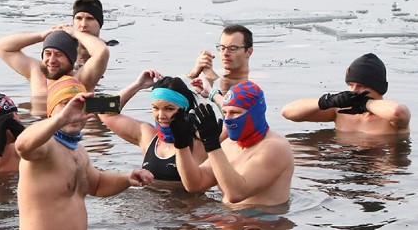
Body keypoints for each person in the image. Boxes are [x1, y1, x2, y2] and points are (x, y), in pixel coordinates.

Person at [15, 76, 154, 230]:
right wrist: (61, 119)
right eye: (64, 105)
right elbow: (22, 145)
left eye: (78, 106)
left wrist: (128, 178)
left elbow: (97, 185)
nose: (72, 112)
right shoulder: (45, 147)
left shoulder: (78, 150)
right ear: (51, 112)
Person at [172, 81, 293, 206]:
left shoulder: (274, 147)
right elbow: (195, 184)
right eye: (224, 112)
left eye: (235, 112)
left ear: (255, 113)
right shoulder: (229, 144)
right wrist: (181, 145)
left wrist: (211, 144)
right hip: (229, 218)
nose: (228, 118)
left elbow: (236, 193)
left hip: (262, 222)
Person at [100, 71, 208, 183]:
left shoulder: (200, 140)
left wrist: (212, 94)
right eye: (155, 108)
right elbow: (103, 111)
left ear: (185, 109)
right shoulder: (148, 136)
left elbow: (228, 123)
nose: (161, 116)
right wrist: (137, 85)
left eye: (169, 109)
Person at [281, 53, 410, 135]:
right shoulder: (340, 112)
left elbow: (398, 112)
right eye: (350, 85)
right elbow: (287, 112)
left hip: (377, 171)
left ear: (378, 87)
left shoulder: (392, 120)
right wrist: (327, 101)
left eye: (361, 86)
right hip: (343, 165)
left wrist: (365, 104)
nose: (354, 91)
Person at [0, 24, 109, 100]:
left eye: (59, 55)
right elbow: (1, 47)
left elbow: (101, 52)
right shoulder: (36, 73)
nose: (52, 60)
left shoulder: (81, 79)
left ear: (70, 59)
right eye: (48, 53)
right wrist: (41, 35)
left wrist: (76, 34)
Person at [186, 24, 253, 108]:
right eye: (222, 48)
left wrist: (211, 79)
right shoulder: (216, 75)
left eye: (232, 49)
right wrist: (194, 72)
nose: (225, 53)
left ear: (249, 52)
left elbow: (233, 112)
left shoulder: (256, 80)